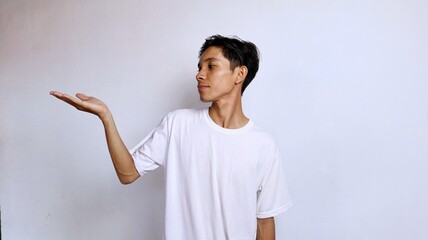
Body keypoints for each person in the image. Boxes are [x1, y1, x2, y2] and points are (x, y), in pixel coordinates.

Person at [50, 35, 292, 240]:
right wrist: (105, 117)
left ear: (239, 74)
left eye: (211, 66)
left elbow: (264, 221)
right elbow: (127, 173)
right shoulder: (178, 124)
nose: (199, 74)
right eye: (199, 67)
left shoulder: (263, 144)